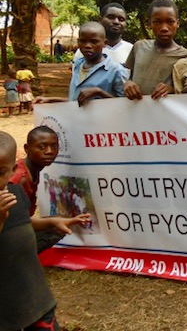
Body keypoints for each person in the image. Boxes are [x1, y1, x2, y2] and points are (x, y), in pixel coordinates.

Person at [0, 130, 90, 331]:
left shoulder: (12, 192)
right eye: (42, 147)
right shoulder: (19, 181)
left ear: (10, 170)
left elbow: (21, 221)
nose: (49, 151)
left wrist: (54, 221)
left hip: (33, 295)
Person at [38, 22, 128, 106]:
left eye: (94, 41)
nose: (87, 46)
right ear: (78, 42)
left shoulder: (116, 71)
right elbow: (76, 102)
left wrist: (99, 92)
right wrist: (50, 100)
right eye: (83, 41)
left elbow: (125, 107)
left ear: (104, 43)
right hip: (78, 122)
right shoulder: (77, 65)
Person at [124, 0, 187, 100]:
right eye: (157, 22)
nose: (164, 28)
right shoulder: (139, 47)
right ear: (149, 24)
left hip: (164, 112)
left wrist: (171, 89)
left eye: (170, 21)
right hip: (136, 110)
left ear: (177, 23)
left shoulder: (186, 57)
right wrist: (128, 84)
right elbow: (130, 77)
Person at [73, 3, 133, 68]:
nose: (116, 22)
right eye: (111, 17)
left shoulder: (131, 50)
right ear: (100, 20)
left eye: (121, 19)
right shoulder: (85, 50)